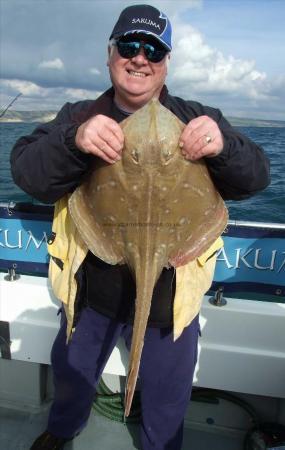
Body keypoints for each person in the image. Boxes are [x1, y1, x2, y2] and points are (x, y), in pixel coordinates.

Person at [10, 4, 270, 450]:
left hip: (171, 301)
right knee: (73, 372)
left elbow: (257, 176)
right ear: (110, 53)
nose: (140, 57)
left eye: (153, 49)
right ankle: (62, 427)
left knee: (168, 397)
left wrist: (223, 146)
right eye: (128, 45)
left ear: (167, 62)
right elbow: (28, 173)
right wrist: (74, 141)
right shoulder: (79, 114)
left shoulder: (195, 115)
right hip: (93, 292)